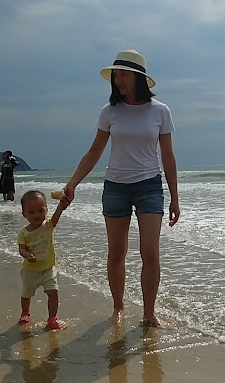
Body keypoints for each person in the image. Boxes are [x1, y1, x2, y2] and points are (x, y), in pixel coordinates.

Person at [63, 49, 179, 327]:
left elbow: (168, 156)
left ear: (138, 77)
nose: (118, 81)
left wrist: (175, 197)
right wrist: (72, 183)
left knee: (150, 252)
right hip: (115, 186)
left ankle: (149, 314)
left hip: (150, 186)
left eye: (123, 75)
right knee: (116, 251)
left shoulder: (160, 111)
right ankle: (118, 308)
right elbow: (94, 152)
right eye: (115, 75)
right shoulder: (109, 112)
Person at [18, 189, 71, 329]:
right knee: (26, 293)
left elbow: (57, 215)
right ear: (24, 214)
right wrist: (27, 256)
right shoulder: (24, 232)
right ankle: (25, 313)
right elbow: (21, 249)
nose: (37, 215)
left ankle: (52, 319)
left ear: (46, 209)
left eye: (40, 210)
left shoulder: (48, 225)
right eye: (31, 212)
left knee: (53, 292)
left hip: (48, 268)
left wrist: (61, 205)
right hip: (31, 270)